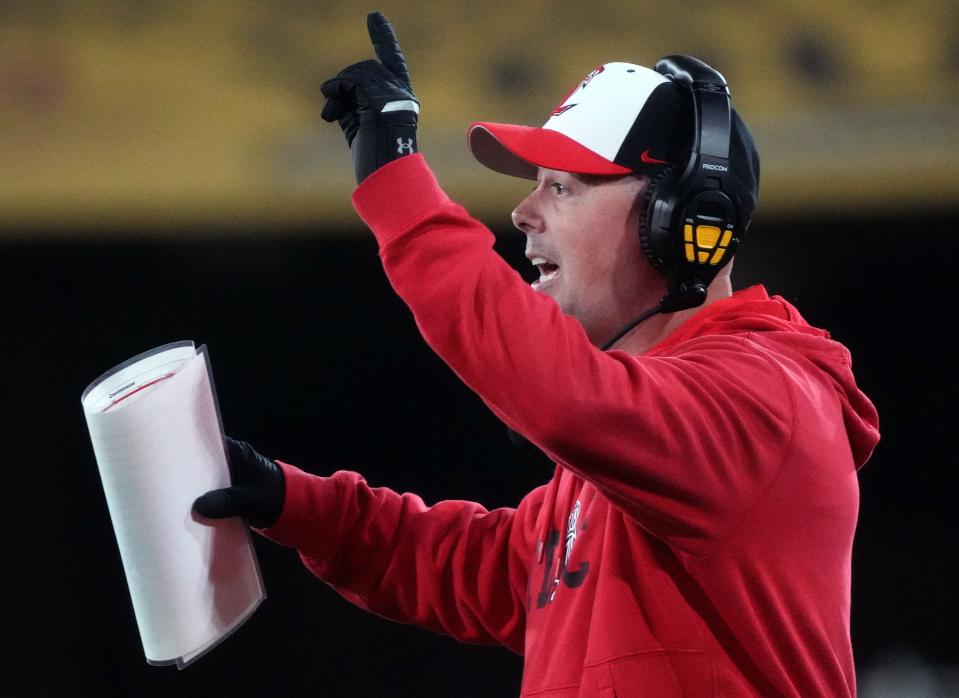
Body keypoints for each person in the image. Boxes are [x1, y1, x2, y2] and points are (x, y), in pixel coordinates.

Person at [194, 12, 879, 697]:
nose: (523, 213)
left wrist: (397, 184)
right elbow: (482, 571)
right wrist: (293, 502)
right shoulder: (641, 439)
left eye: (562, 186)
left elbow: (557, 393)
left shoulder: (765, 398)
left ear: (680, 223)